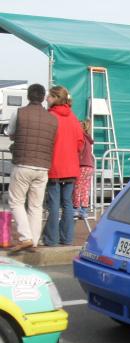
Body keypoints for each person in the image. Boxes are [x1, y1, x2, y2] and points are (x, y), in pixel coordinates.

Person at [6, 83, 58, 254]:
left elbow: (11, 132)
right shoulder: (52, 119)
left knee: (16, 201)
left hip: (22, 164)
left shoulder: (19, 112)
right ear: (43, 97)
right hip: (43, 167)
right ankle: (34, 241)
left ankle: (25, 237)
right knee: (36, 206)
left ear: (28, 96)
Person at [42, 86, 84, 246]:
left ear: (55, 98)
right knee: (67, 204)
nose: (47, 99)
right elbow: (80, 143)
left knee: (53, 204)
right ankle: (67, 238)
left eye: (49, 96)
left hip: (55, 167)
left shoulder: (51, 117)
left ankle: (51, 239)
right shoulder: (73, 118)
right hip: (71, 167)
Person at [72, 119, 95, 220]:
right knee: (85, 188)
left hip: (82, 165)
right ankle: (84, 210)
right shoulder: (88, 139)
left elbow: (78, 151)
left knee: (77, 187)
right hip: (89, 166)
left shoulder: (81, 138)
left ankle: (76, 209)